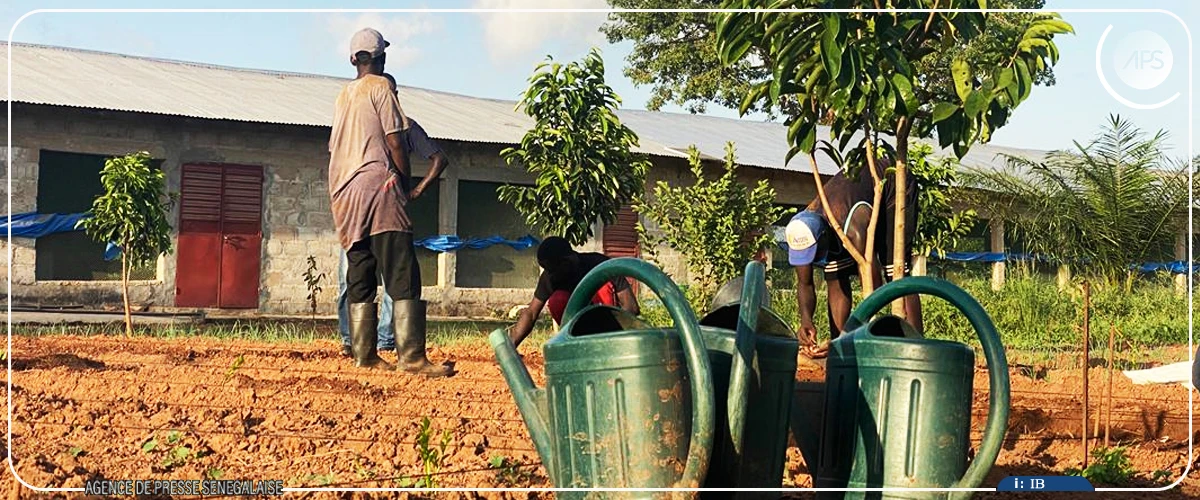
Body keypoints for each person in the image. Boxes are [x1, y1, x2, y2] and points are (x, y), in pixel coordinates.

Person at [326, 27, 450, 377]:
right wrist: (404, 185)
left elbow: (335, 147)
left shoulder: (343, 96)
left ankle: (364, 356)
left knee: (360, 270)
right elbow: (396, 143)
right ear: (380, 58)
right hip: (378, 185)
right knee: (401, 269)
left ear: (353, 59)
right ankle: (411, 357)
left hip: (343, 192)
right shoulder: (381, 88)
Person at [786, 158, 922, 358]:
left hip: (893, 186)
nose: (812, 258)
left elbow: (872, 285)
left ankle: (917, 347)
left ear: (823, 237)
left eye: (814, 251)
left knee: (895, 270)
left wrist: (856, 334)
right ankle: (840, 351)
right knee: (834, 272)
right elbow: (804, 283)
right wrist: (806, 320)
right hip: (849, 209)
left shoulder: (853, 229)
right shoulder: (802, 230)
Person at [507, 237, 640, 350]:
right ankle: (575, 344)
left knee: (604, 287)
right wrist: (510, 346)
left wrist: (616, 339)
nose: (550, 275)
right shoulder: (550, 278)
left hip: (612, 330)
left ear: (566, 262)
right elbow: (531, 313)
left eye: (552, 269)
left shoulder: (600, 265)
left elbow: (631, 308)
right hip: (579, 334)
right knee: (557, 300)